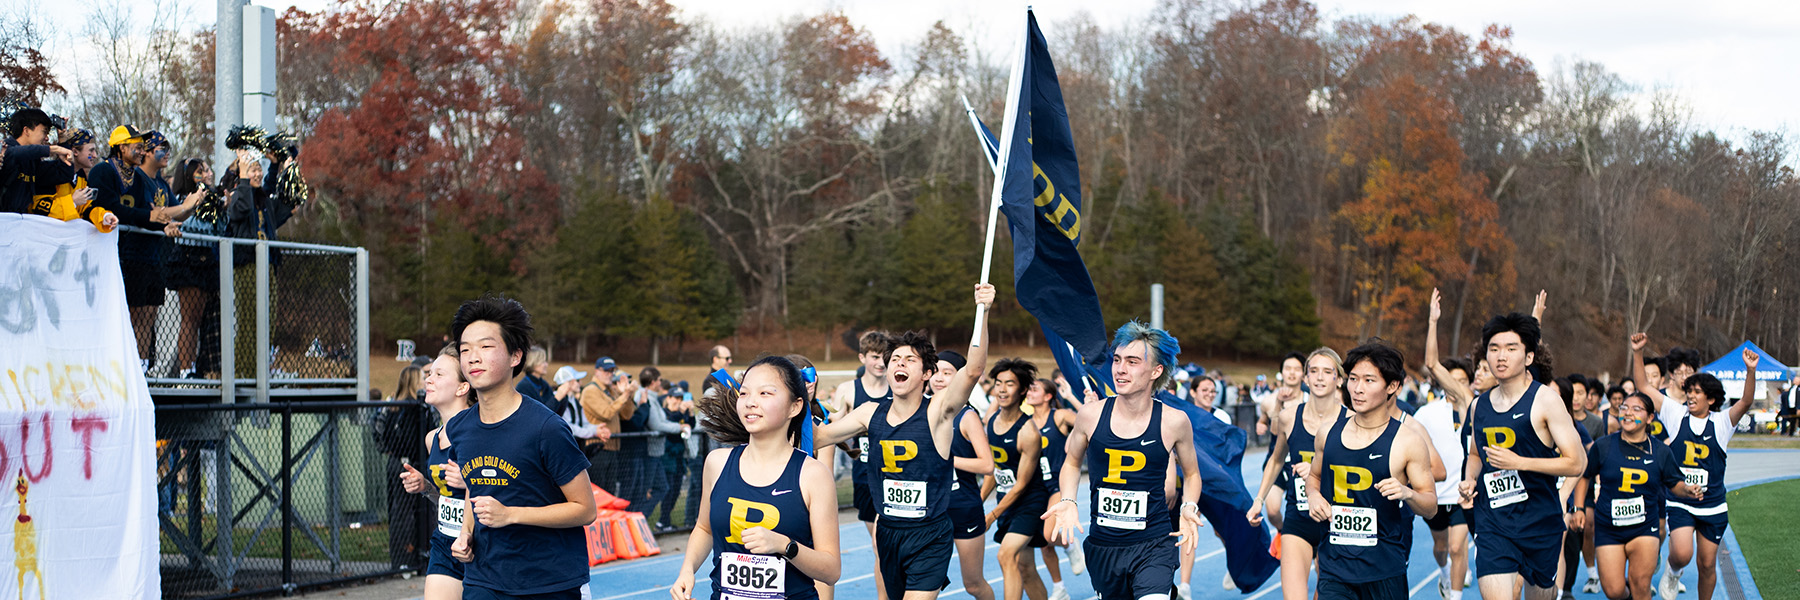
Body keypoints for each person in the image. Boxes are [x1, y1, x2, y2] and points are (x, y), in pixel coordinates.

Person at [812, 283, 994, 600]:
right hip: (889, 531)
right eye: (895, 359)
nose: (899, 364)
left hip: (929, 533)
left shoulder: (939, 412)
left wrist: (984, 312)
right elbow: (818, 438)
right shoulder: (869, 413)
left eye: (909, 360)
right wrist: (796, 403)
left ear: (926, 374)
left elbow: (974, 370)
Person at [445, 296, 596, 600]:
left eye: (486, 347)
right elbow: (475, 488)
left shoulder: (546, 429)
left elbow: (585, 509)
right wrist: (465, 534)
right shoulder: (459, 427)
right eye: (465, 350)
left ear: (516, 356)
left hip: (548, 582)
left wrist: (511, 514)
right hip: (483, 579)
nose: (473, 357)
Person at [1043, 321, 1206, 600]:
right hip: (1104, 546)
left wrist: (1189, 506)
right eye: (1117, 360)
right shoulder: (1091, 415)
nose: (1120, 369)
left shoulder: (1174, 422)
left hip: (1153, 543)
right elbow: (1071, 463)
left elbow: (1191, 474)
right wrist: (1068, 501)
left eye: (1132, 362)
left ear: (1156, 371)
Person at [671, 356, 843, 600]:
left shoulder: (812, 475)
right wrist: (687, 570)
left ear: (795, 406)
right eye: (744, 393)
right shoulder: (717, 463)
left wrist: (785, 546)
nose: (751, 402)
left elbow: (831, 570)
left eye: (765, 393)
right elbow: (704, 528)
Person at [1458, 312, 1588, 600]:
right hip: (1494, 522)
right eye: (1494, 349)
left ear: (1529, 357)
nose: (1500, 357)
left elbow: (1577, 462)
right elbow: (1477, 454)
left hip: (1540, 522)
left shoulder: (1546, 401)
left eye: (1510, 349)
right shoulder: (1479, 406)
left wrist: (1520, 463)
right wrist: (1469, 480)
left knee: (1540, 594)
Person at [1304, 342, 1439, 600]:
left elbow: (1430, 505)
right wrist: (1314, 496)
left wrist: (1406, 493)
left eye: (1369, 380)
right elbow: (1314, 477)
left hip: (1384, 570)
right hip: (1335, 568)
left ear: (1392, 387)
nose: (1358, 388)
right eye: (1353, 379)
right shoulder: (1327, 433)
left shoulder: (1407, 441)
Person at [1646, 341, 1758, 600]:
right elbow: (1643, 387)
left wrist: (1750, 371)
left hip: (1713, 504)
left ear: (1711, 399)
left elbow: (1747, 401)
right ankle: (1673, 571)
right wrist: (1638, 353)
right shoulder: (1676, 415)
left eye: (1697, 392)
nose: (1691, 396)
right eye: (1689, 391)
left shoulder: (1722, 423)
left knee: (1707, 564)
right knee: (1682, 554)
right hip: (1681, 500)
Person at [1572, 391, 1701, 600]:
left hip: (1644, 527)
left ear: (1650, 417)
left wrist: (1687, 490)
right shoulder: (1603, 446)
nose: (1628, 413)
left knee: (1641, 584)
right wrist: (1578, 509)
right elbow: (1585, 476)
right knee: (1613, 590)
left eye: (1636, 409)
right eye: (1624, 408)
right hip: (1608, 527)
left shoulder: (1660, 451)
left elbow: (1674, 483)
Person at [1248, 347, 1346, 600]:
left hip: (1338, 524)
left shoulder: (1352, 421)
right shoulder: (1289, 417)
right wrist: (1259, 499)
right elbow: (1276, 460)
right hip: (1298, 519)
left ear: (1339, 379)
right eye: (1314, 371)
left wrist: (1317, 472)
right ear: (1305, 379)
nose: (1320, 377)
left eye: (1328, 372)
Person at [398, 345, 476, 600]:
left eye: (439, 374)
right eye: (429, 373)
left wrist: (471, 483)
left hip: (480, 545)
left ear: (462, 387)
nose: (429, 379)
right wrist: (426, 487)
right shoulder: (433, 438)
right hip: (445, 542)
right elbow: (446, 498)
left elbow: (505, 489)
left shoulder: (480, 434)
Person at [826, 330, 893, 599]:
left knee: (888, 545)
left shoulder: (897, 386)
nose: (880, 362)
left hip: (896, 478)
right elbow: (830, 434)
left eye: (884, 357)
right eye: (875, 357)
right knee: (880, 547)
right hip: (865, 478)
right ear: (862, 357)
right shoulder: (848, 390)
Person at [982, 358, 1050, 600]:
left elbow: (1021, 485)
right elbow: (993, 470)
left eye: (1009, 384)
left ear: (1022, 390)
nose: (1001, 389)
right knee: (1025, 567)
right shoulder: (991, 422)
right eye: (998, 383)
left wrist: (992, 514)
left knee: (1005, 555)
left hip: (1029, 502)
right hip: (1007, 500)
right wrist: (977, 504)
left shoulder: (1028, 432)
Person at [1420, 289, 1473, 600]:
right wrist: (1433, 321)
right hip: (1437, 494)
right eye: (1450, 379)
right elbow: (1431, 362)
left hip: (1464, 493)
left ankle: (1455, 596)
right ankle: (1443, 576)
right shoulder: (1427, 413)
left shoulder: (1476, 407)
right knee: (1441, 548)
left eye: (1462, 380)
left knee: (1458, 546)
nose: (1456, 385)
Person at [935, 349, 996, 600]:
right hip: (931, 509)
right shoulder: (922, 410)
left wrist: (947, 459)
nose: (939, 377)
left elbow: (987, 466)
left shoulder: (967, 416)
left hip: (963, 507)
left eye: (947, 373)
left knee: (973, 584)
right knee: (927, 582)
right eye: (935, 371)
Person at [1029, 376, 1086, 600]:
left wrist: (1070, 396)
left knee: (1048, 534)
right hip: (1036, 486)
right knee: (1044, 544)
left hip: (1059, 485)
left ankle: (1071, 545)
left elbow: (1089, 418)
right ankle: (1059, 588)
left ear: (1048, 396)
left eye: (1035, 389)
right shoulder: (1026, 421)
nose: (1029, 392)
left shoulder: (1059, 416)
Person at [167, 158, 224, 378]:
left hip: (208, 259)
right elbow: (184, 223)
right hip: (189, 258)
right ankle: (185, 370)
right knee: (189, 319)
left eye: (207, 170)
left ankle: (200, 367)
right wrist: (196, 205)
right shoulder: (182, 199)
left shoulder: (212, 199)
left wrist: (222, 207)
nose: (207, 174)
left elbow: (219, 227)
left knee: (203, 319)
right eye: (201, 171)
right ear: (191, 175)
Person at [376, 364, 431, 570]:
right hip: (409, 465)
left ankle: (402, 559)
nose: (425, 381)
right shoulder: (413, 408)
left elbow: (383, 435)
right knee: (411, 512)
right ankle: (410, 558)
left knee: (400, 511)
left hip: (397, 463)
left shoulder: (394, 406)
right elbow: (412, 439)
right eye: (421, 378)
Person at [580, 357, 637, 494]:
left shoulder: (610, 391)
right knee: (599, 493)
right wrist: (625, 395)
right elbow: (606, 413)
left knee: (610, 492)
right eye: (606, 371)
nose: (610, 374)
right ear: (597, 371)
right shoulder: (591, 390)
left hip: (611, 449)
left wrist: (627, 395)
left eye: (612, 371)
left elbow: (627, 415)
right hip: (597, 448)